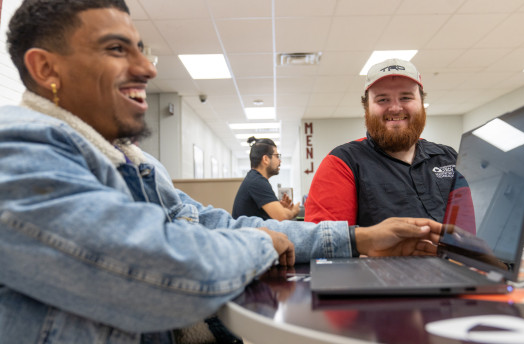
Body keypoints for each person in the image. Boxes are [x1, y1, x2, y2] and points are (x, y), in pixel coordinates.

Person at [0, 1, 443, 343]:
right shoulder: (17, 150)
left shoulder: (136, 162)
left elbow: (215, 225)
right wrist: (259, 241)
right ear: (46, 68)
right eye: (117, 49)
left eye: (142, 49)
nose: (148, 68)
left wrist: (359, 238)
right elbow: (166, 265)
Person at [305, 58, 459, 227]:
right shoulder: (342, 164)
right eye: (382, 99)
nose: (395, 108)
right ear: (366, 108)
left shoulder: (449, 157)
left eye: (406, 97)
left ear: (422, 104)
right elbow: (326, 243)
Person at [232, 136, 300, 220]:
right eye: (277, 156)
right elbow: (282, 217)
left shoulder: (254, 178)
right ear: (265, 159)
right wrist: (293, 211)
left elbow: (276, 217)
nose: (280, 161)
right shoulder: (257, 181)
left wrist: (283, 210)